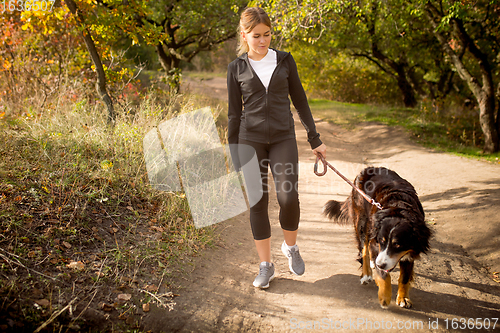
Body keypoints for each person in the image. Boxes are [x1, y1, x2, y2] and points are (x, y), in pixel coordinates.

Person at [227, 7, 327, 289]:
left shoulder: (285, 61)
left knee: (288, 198)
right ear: (244, 35)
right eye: (256, 36)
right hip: (250, 140)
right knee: (258, 202)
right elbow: (234, 114)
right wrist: (233, 151)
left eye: (267, 34)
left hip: (283, 138)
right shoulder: (236, 68)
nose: (263, 41)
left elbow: (300, 100)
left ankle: (291, 247)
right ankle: (266, 266)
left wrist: (314, 138)